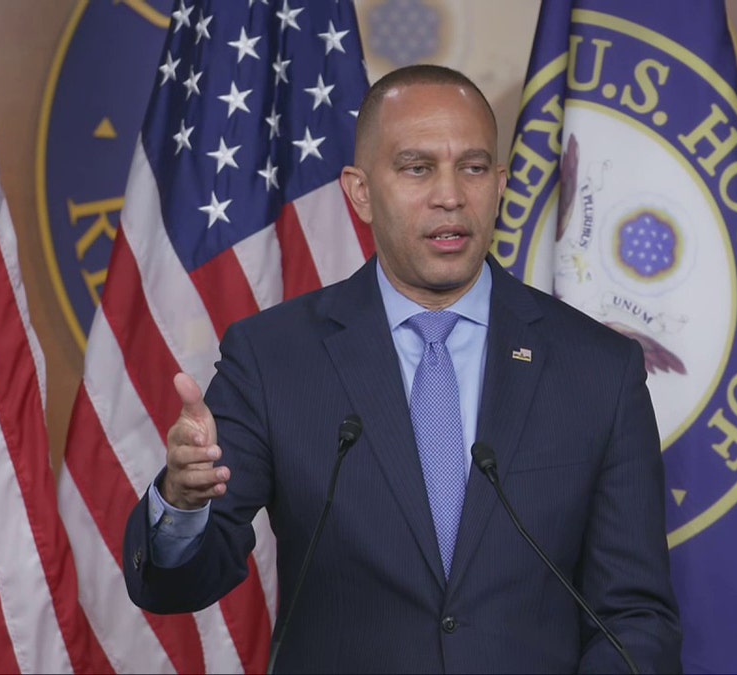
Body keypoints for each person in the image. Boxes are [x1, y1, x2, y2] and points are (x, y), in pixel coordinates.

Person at [123, 64, 682, 673]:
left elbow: (633, 617)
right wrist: (180, 503)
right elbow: (177, 587)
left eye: (472, 168)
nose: (450, 195)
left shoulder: (598, 368)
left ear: (499, 185)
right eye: (417, 168)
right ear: (360, 192)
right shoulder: (274, 359)